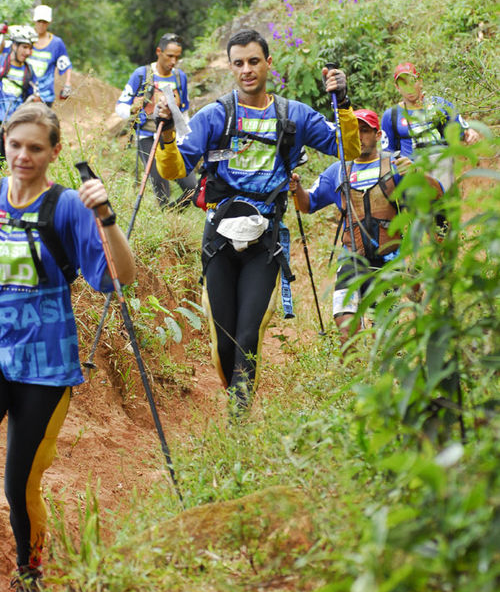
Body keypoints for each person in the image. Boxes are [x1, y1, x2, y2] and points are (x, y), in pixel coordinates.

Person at [154, 28, 360, 415]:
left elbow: (347, 149)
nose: (247, 70)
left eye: (253, 61)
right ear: (231, 68)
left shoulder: (294, 115)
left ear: (268, 63)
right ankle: (237, 397)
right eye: (238, 63)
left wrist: (343, 101)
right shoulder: (215, 115)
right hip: (218, 236)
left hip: (265, 240)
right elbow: (175, 168)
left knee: (248, 334)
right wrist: (165, 132)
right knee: (224, 340)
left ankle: (239, 416)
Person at [0, 103, 135, 592]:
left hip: (46, 365)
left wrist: (107, 219)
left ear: (55, 152)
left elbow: (120, 278)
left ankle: (30, 575)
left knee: (20, 480)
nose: (23, 155)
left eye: (36, 147)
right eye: (16, 145)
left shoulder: (68, 207)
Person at [290, 108, 443, 349]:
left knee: (381, 334)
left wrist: (416, 173)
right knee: (345, 329)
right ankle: (351, 378)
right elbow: (307, 204)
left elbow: (436, 193)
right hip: (352, 257)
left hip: (388, 259)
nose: (358, 136)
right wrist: (296, 188)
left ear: (377, 134)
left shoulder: (394, 165)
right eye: (352, 130)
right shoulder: (338, 171)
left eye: (364, 130)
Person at [115, 32, 196, 209]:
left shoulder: (179, 78)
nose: (173, 61)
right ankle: (167, 221)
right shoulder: (142, 74)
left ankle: (171, 214)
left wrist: (187, 138)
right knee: (162, 191)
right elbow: (120, 105)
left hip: (171, 138)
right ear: (159, 52)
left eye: (177, 57)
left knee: (192, 187)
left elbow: (184, 112)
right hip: (147, 137)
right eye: (170, 56)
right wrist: (132, 111)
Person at [380, 62, 480, 190]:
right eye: (403, 83)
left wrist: (470, 133)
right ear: (397, 87)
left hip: (442, 167)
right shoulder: (391, 115)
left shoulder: (439, 104)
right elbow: (387, 152)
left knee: (445, 206)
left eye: (412, 81)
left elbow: (461, 130)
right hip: (412, 174)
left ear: (420, 81)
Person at [29, 5, 72, 106]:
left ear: (49, 22)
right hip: (25, 92)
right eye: (39, 21)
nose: (41, 25)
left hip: (45, 95)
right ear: (34, 21)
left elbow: (65, 64)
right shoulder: (26, 39)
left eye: (44, 22)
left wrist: (68, 84)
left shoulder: (56, 43)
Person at [0, 25, 40, 125]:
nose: (28, 52)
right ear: (14, 46)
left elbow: (33, 96)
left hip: (15, 123)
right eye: (24, 47)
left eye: (30, 48)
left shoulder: (29, 71)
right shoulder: (2, 62)